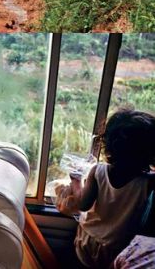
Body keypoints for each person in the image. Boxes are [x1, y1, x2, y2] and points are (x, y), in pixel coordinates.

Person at [66, 109, 155, 269]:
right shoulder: (148, 183)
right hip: (118, 247)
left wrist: (76, 181)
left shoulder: (98, 172)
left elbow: (83, 205)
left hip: (88, 241)